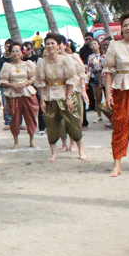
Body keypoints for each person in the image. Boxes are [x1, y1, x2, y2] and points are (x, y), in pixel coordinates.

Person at [36, 32, 87, 162]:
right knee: (51, 123)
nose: (50, 46)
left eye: (52, 43)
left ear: (58, 45)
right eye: (47, 43)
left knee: (73, 122)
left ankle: (80, 149)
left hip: (65, 94)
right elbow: (41, 82)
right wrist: (42, 100)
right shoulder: (42, 62)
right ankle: (53, 152)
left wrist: (69, 97)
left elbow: (71, 79)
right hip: (50, 95)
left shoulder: (66, 60)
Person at [103, 11, 129, 177]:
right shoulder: (115, 46)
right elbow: (108, 71)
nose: (128, 28)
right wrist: (108, 94)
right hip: (121, 90)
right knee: (120, 126)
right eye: (125, 25)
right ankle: (117, 164)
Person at [0, 42, 39, 149]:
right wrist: (12, 85)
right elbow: (3, 80)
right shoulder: (7, 66)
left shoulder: (28, 64)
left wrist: (25, 83)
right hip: (13, 93)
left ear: (22, 52)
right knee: (14, 117)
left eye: (18, 51)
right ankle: (16, 141)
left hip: (27, 92)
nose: (15, 53)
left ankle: (32, 139)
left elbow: (34, 77)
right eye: (13, 51)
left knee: (30, 116)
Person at [87, 39, 104, 123]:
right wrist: (87, 80)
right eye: (92, 44)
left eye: (95, 43)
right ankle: (99, 115)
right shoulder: (91, 57)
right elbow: (89, 68)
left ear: (99, 45)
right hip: (95, 77)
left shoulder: (103, 55)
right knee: (98, 98)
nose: (93, 45)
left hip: (104, 76)